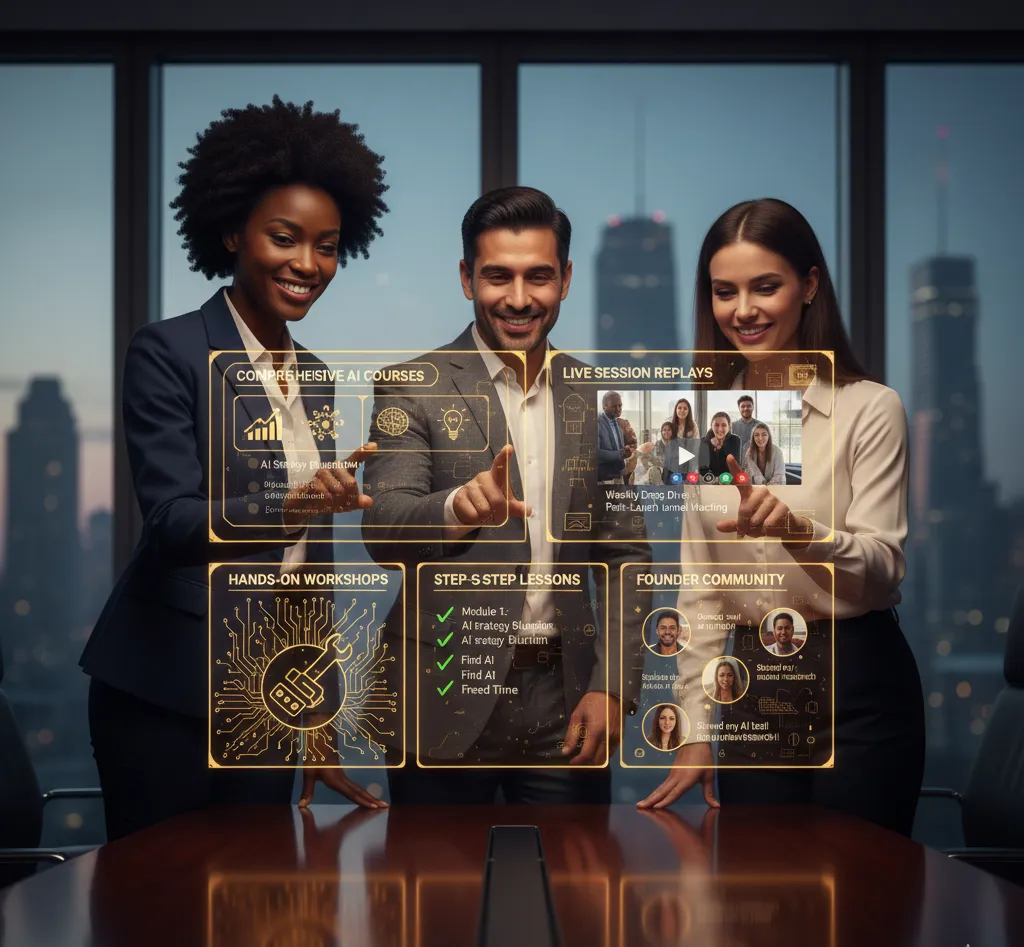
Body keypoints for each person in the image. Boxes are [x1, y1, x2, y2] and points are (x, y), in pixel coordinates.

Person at [79, 97, 391, 839]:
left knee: (254, 899)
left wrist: (320, 710)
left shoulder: (314, 377)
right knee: (155, 903)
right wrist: (293, 502)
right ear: (231, 233)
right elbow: (173, 523)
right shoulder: (169, 351)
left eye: (327, 245)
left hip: (269, 691)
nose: (308, 265)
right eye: (285, 238)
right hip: (164, 687)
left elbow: (312, 563)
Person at [637, 198, 925, 838]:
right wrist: (694, 728)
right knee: (758, 899)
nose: (743, 310)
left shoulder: (870, 409)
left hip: (857, 684)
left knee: (863, 902)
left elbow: (881, 571)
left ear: (810, 285)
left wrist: (796, 531)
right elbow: (700, 594)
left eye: (765, 286)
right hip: (753, 681)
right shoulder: (703, 431)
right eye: (724, 292)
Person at [361, 186, 651, 804]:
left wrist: (616, 687)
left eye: (538, 277)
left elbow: (628, 556)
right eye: (498, 276)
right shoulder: (410, 387)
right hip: (437, 691)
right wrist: (454, 510)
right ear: (467, 279)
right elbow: (383, 527)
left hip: (567, 701)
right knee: (436, 899)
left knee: (571, 895)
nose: (519, 299)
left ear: (566, 280)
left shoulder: (595, 399)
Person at [598, 390, 632, 483]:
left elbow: (617, 448)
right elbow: (595, 453)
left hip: (618, 475)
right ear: (604, 406)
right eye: (614, 406)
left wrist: (625, 451)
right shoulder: (596, 422)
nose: (618, 409)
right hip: (604, 478)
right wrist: (619, 454)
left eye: (620, 405)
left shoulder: (617, 421)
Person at [699, 411, 741, 478]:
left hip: (728, 481)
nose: (720, 429)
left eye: (724, 425)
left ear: (729, 427)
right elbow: (702, 469)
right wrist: (712, 446)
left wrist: (722, 447)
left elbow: (733, 467)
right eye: (716, 425)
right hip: (709, 481)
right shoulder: (703, 441)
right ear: (711, 426)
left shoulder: (735, 440)